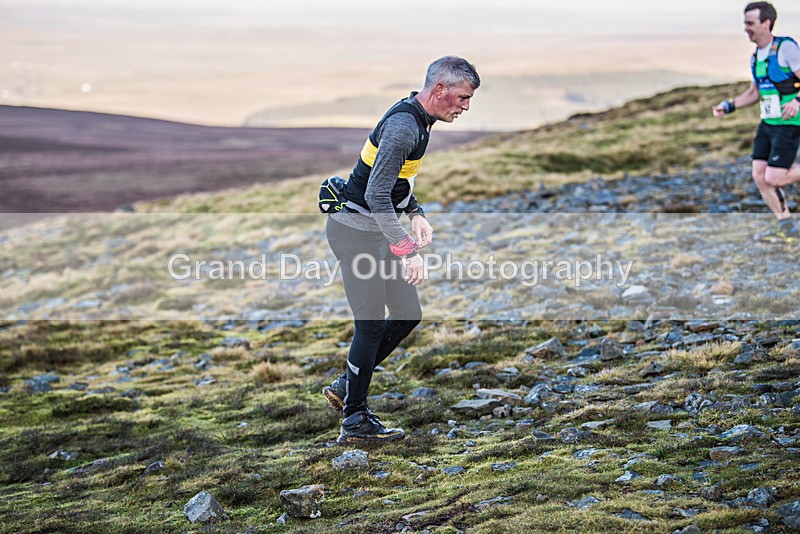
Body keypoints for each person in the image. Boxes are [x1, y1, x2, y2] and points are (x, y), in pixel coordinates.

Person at [323, 56, 480, 445]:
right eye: (462, 97)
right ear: (439, 89)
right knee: (371, 323)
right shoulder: (403, 127)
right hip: (355, 232)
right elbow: (376, 194)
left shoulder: (420, 123)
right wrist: (408, 250)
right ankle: (354, 421)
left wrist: (416, 212)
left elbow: (395, 184)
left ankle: (347, 386)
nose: (465, 106)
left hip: (376, 231)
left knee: (408, 313)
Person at [713, 1, 800, 241]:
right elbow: (754, 93)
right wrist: (729, 105)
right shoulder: (755, 58)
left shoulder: (786, 48)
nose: (746, 29)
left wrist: (797, 102)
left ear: (766, 23)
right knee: (759, 176)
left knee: (774, 177)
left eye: (750, 23)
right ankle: (787, 227)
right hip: (768, 124)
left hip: (790, 123)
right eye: (744, 23)